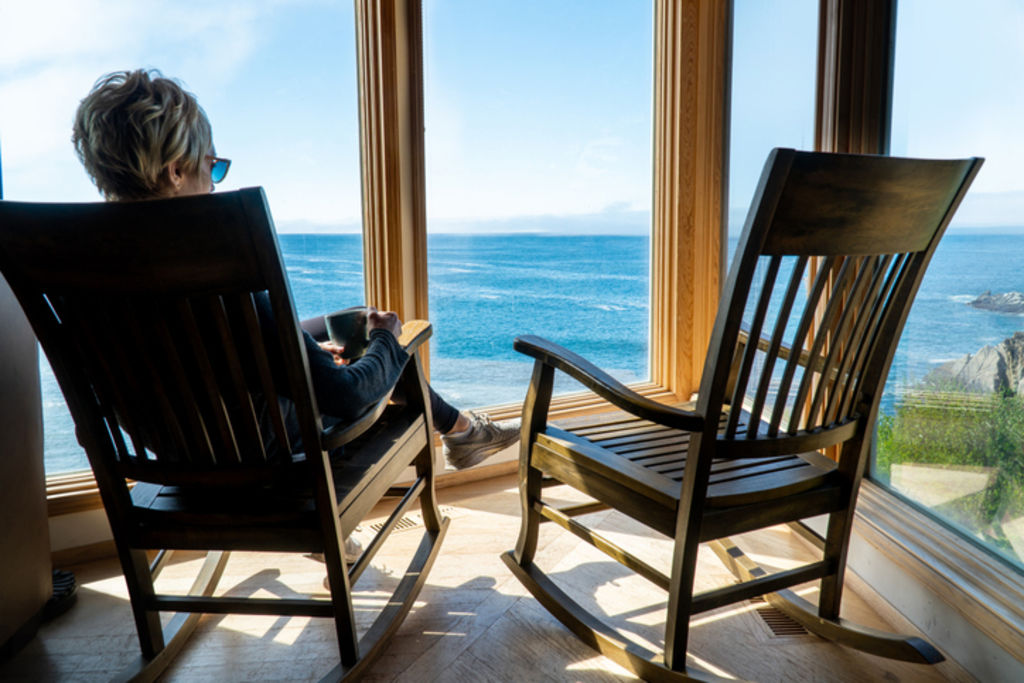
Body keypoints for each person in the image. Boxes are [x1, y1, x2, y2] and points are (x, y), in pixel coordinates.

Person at [71, 70, 518, 476]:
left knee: (353, 319)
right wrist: (387, 339)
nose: (214, 182)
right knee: (382, 342)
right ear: (175, 171)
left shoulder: (81, 269)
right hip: (271, 463)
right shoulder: (214, 264)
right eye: (213, 167)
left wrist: (296, 344)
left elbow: (194, 350)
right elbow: (347, 396)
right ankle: (461, 430)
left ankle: (462, 431)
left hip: (177, 459)